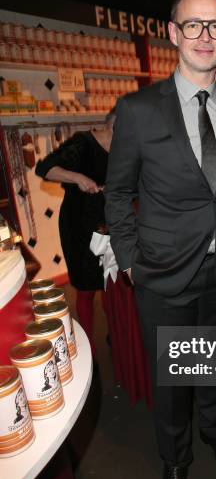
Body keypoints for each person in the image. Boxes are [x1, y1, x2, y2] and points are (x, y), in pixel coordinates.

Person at [105, 0, 216, 479]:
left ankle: (215, 432)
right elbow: (118, 192)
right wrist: (129, 261)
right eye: (193, 23)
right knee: (172, 381)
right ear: (173, 32)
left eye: (215, 24)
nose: (204, 35)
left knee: (215, 365)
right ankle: (175, 461)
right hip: (162, 274)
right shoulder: (139, 110)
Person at [35, 111, 116, 355]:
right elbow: (44, 168)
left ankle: (116, 335)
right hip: (79, 225)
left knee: (110, 283)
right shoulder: (82, 142)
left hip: (108, 225)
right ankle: (88, 345)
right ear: (114, 128)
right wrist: (77, 177)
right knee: (86, 286)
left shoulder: (123, 150)